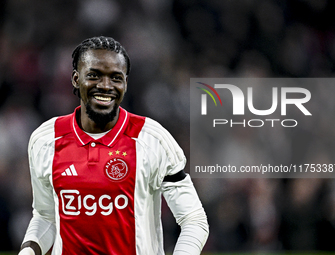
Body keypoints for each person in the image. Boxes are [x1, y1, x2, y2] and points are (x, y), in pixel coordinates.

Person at [18, 36, 209, 255]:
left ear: (125, 84)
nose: (105, 86)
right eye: (94, 75)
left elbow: (194, 220)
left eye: (116, 78)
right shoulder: (45, 140)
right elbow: (46, 216)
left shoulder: (153, 140)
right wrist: (28, 251)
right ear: (75, 78)